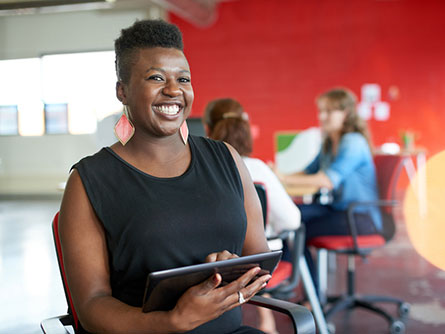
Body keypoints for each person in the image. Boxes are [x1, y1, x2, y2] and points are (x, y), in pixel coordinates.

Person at [58, 20, 271, 334]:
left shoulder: (227, 158)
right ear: (123, 91)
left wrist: (231, 269)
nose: (174, 90)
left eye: (183, 78)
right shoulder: (89, 181)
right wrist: (173, 321)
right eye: (156, 77)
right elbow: (91, 305)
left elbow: (259, 261)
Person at [203, 98, 301, 334]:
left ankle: (265, 318)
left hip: (212, 264)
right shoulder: (257, 168)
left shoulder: (202, 172)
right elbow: (292, 220)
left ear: (207, 129)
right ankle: (276, 316)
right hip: (260, 263)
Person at [273, 87, 381, 288]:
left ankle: (303, 289)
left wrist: (283, 177)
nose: (322, 116)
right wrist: (277, 176)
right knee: (288, 216)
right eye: (321, 111)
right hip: (339, 210)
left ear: (346, 113)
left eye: (329, 111)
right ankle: (292, 280)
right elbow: (307, 172)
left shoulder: (353, 142)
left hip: (359, 218)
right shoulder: (329, 143)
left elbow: (327, 180)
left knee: (296, 229)